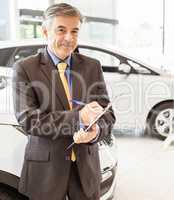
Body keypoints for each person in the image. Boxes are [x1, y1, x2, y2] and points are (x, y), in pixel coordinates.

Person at [12, 3, 116, 200]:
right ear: (45, 31)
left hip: (85, 172)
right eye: (61, 30)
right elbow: (29, 120)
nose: (69, 38)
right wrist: (78, 117)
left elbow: (108, 115)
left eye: (74, 31)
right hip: (46, 174)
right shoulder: (25, 68)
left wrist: (96, 132)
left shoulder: (92, 66)